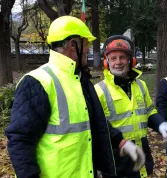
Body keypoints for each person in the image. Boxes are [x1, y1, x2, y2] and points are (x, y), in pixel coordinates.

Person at [5, 16, 145, 178]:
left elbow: (94, 120)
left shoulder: (80, 79)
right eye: (86, 44)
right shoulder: (38, 82)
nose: (88, 50)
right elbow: (20, 141)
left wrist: (121, 142)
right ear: (73, 45)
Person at [94, 35, 167, 178]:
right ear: (106, 62)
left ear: (131, 61)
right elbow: (97, 128)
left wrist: (161, 124)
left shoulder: (141, 86)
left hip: (141, 152)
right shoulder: (99, 91)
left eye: (122, 57)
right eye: (113, 58)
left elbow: (149, 111)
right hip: (116, 158)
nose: (118, 62)